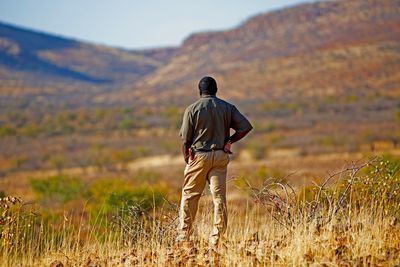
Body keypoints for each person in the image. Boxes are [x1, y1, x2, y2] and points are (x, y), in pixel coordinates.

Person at [177, 76, 253, 246]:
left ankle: (184, 235)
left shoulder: (192, 109)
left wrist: (187, 159)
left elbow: (185, 141)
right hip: (220, 156)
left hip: (199, 156)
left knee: (190, 195)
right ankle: (217, 237)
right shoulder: (227, 107)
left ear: (199, 91)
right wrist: (230, 141)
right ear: (216, 90)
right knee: (219, 198)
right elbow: (246, 127)